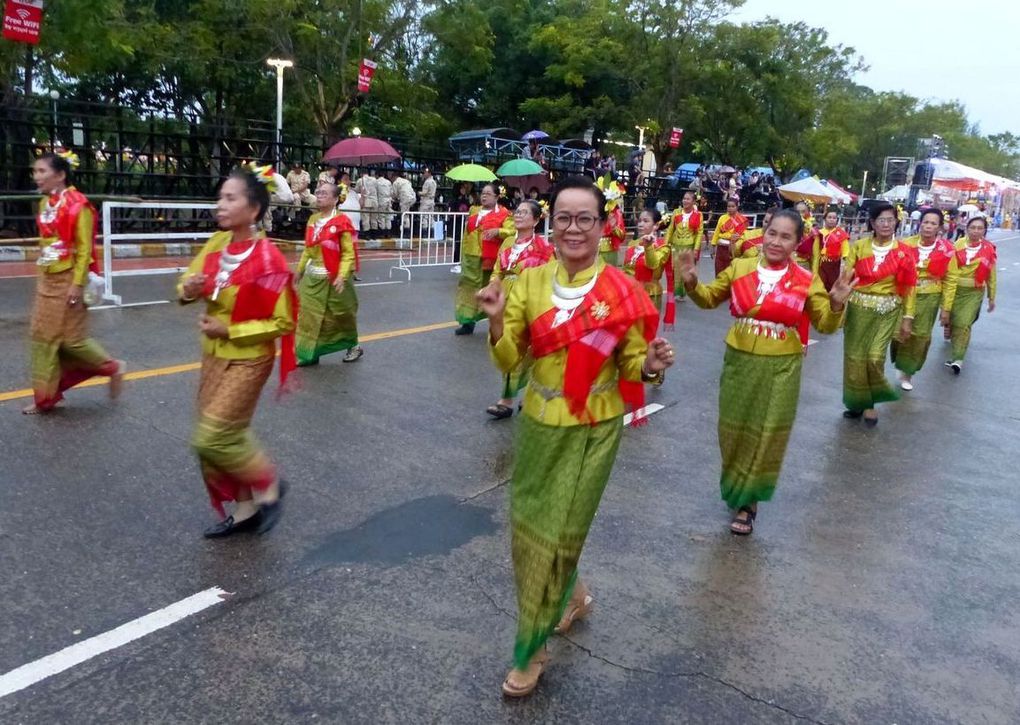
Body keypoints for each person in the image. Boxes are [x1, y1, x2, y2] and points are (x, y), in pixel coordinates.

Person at [476, 176, 674, 697]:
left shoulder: (622, 289)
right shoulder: (530, 283)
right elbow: (510, 358)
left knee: (562, 531)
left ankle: (531, 646)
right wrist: (497, 323)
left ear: (603, 227)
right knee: (531, 529)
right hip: (540, 424)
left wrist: (649, 364)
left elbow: (633, 359)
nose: (573, 228)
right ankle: (575, 596)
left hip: (593, 427)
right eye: (563, 217)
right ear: (551, 223)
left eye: (585, 218)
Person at [679, 209, 849, 534]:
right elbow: (709, 298)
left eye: (786, 237)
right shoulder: (741, 267)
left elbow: (825, 324)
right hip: (739, 359)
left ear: (798, 243)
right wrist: (690, 282)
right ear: (764, 233)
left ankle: (749, 502)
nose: (775, 241)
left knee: (766, 431)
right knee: (732, 429)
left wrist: (838, 303)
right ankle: (735, 484)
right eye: (772, 233)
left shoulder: (804, 279)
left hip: (782, 365)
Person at [176, 166, 296, 537]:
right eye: (220, 198)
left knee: (211, 436)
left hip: (249, 357)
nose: (220, 205)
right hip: (213, 355)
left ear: (254, 209)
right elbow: (185, 286)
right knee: (224, 435)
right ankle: (245, 510)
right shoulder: (216, 244)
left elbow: (283, 322)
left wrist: (230, 329)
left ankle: (269, 482)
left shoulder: (269, 260)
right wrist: (190, 288)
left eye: (231, 199)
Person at [24, 151, 125, 415]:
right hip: (47, 278)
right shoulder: (45, 204)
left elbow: (84, 250)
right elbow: (47, 243)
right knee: (42, 337)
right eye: (35, 171)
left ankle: (112, 367)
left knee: (71, 341)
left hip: (70, 279)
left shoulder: (79, 206)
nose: (36, 177)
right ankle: (46, 398)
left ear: (60, 175)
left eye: (42, 171)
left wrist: (77, 285)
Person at [841, 202, 917, 426]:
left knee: (874, 358)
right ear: (873, 223)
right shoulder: (859, 247)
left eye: (890, 220)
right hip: (858, 309)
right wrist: (838, 305)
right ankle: (858, 402)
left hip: (887, 311)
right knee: (854, 358)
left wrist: (908, 317)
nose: (886, 224)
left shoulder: (904, 252)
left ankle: (870, 401)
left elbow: (910, 287)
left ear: (896, 222)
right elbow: (846, 277)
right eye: (881, 220)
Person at [482, 200, 554, 419]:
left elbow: (548, 279)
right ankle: (507, 397)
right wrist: (493, 285)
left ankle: (526, 394)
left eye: (524, 213)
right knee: (506, 344)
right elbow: (497, 271)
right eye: (517, 212)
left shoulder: (544, 249)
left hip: (528, 300)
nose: (518, 215)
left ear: (535, 219)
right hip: (505, 299)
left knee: (529, 348)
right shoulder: (506, 245)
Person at [295, 181, 363, 366]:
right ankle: (310, 353)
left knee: (342, 315)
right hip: (313, 278)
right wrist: (299, 270)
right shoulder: (313, 220)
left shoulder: (342, 221)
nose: (319, 195)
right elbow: (308, 249)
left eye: (324, 193)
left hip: (334, 278)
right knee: (309, 315)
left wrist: (341, 275)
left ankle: (353, 346)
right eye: (318, 192)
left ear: (335, 199)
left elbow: (348, 253)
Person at [890, 209, 958, 390]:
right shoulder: (905, 244)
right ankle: (899, 360)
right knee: (899, 333)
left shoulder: (947, 250)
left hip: (930, 297)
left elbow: (951, 280)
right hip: (904, 295)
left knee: (919, 336)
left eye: (933, 223)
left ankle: (907, 373)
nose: (928, 226)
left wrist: (946, 308)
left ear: (940, 228)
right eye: (926, 222)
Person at [454, 182, 515, 335]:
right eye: (483, 193)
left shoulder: (504, 214)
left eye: (488, 193)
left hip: (491, 259)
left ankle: (496, 321)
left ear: (496, 196)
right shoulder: (474, 210)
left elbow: (512, 231)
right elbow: (467, 235)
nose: (484, 196)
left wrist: (498, 231)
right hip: (471, 257)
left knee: (490, 289)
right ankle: (467, 322)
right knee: (468, 288)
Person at [945, 216, 996, 374]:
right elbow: (947, 268)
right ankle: (954, 347)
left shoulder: (989, 249)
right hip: (954, 290)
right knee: (954, 322)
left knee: (963, 324)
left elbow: (991, 275)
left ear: (984, 231)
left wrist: (991, 297)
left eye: (979, 228)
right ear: (967, 229)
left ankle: (958, 359)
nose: (976, 231)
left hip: (974, 293)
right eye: (973, 227)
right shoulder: (957, 245)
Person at [623, 208, 674, 330]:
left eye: (646, 221)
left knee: (645, 332)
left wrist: (648, 247)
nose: (640, 224)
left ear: (656, 225)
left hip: (649, 294)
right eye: (640, 220)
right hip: (630, 293)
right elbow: (626, 269)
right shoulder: (633, 244)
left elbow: (653, 264)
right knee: (630, 333)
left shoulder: (663, 247)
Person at [663, 190, 704, 298]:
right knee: (673, 269)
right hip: (676, 244)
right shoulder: (676, 212)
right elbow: (671, 229)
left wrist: (696, 249)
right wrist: (665, 244)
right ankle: (674, 291)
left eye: (688, 199)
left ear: (693, 202)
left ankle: (683, 292)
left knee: (685, 270)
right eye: (684, 198)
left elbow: (699, 233)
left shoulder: (698, 215)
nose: (685, 201)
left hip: (689, 245)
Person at [811, 210, 850, 291]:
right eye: (829, 217)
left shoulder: (841, 234)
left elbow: (846, 252)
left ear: (837, 220)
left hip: (834, 265)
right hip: (821, 264)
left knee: (832, 286)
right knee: (820, 285)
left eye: (834, 218)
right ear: (825, 219)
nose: (832, 219)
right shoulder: (819, 233)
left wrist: (849, 266)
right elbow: (815, 252)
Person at [709, 197, 747, 276]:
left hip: (732, 249)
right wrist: (713, 246)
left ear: (737, 207)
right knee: (719, 271)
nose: (730, 208)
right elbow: (716, 232)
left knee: (730, 273)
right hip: (720, 249)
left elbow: (742, 237)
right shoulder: (722, 218)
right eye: (728, 206)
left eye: (733, 206)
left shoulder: (742, 220)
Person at [595, 175, 626, 266]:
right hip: (591, 251)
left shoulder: (615, 213)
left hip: (609, 250)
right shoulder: (593, 210)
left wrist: (614, 227)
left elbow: (622, 235)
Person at [792, 201, 816, 270]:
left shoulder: (812, 227)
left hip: (805, 262)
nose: (800, 214)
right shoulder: (789, 223)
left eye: (803, 211)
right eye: (798, 211)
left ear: (809, 212)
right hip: (790, 260)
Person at [356, 170, 378, 238]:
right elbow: (377, 188)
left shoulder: (360, 180)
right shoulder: (374, 179)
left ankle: (367, 235)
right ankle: (374, 234)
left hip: (366, 201)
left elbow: (357, 190)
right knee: (374, 218)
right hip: (374, 201)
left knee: (366, 218)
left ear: (361, 173)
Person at [374, 171, 394, 236]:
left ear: (377, 175)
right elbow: (392, 192)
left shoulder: (376, 182)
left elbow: (375, 192)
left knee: (381, 216)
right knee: (388, 216)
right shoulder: (388, 182)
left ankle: (382, 233)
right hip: (389, 200)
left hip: (381, 200)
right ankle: (388, 232)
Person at [419, 167, 437, 233]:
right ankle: (432, 233)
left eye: (425, 172)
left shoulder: (427, 182)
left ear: (429, 173)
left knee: (424, 217)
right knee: (431, 217)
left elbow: (424, 193)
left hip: (426, 201)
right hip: (432, 201)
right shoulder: (434, 182)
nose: (424, 173)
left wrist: (419, 193)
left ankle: (424, 233)